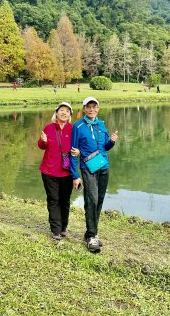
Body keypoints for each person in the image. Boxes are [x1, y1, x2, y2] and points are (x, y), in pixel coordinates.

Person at [70, 96, 119, 252]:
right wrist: (75, 175)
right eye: (88, 107)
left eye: (94, 107)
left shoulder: (101, 125)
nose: (92, 109)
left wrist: (111, 141)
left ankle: (91, 232)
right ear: (84, 109)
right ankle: (92, 236)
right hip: (87, 167)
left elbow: (105, 147)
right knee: (92, 199)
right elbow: (72, 152)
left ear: (98, 109)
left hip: (103, 166)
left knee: (99, 200)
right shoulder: (77, 127)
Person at [37, 102, 79, 240]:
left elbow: (80, 147)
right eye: (62, 110)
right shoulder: (48, 128)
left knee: (65, 200)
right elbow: (41, 146)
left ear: (70, 115)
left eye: (67, 111)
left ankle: (63, 227)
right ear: (56, 113)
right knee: (53, 199)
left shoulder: (73, 130)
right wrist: (43, 141)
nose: (64, 113)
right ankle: (55, 230)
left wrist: (79, 151)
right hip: (49, 171)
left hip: (66, 172)